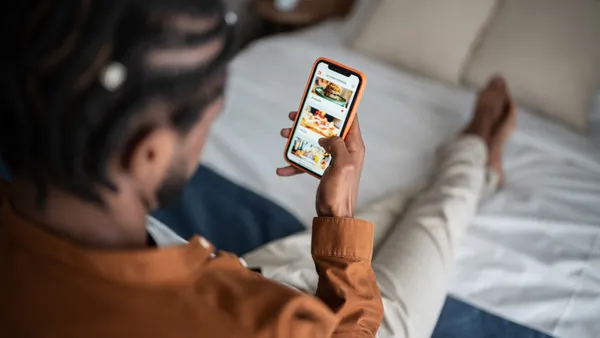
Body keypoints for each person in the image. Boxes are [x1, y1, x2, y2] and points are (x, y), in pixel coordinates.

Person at [0, 1, 382, 337]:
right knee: (434, 219)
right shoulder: (269, 324)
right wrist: (338, 217)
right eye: (208, 119)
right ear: (149, 154)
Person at [245, 76, 517, 338]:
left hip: (256, 281)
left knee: (389, 213)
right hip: (351, 325)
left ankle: (475, 165)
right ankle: (476, 147)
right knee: (438, 214)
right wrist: (336, 216)